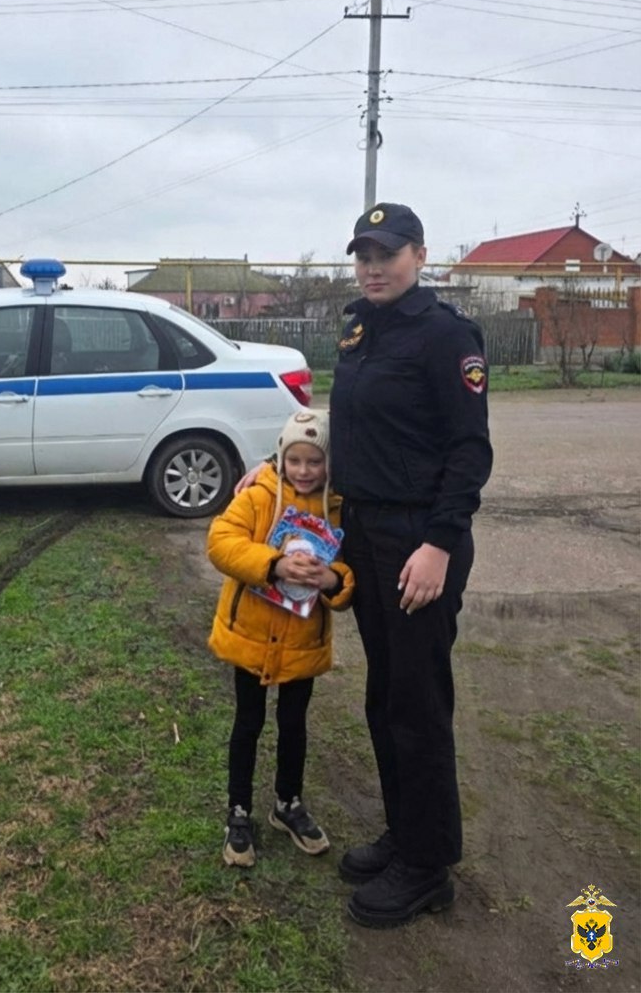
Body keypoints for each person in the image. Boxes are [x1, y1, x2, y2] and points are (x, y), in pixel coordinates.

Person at [235, 202, 492, 926]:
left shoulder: (446, 335)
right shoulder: (360, 330)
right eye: (364, 256)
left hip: (419, 540)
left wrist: (439, 544)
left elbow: (470, 449)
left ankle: (428, 866)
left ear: (420, 255)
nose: (373, 268)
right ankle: (405, 833)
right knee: (386, 695)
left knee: (418, 702)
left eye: (388, 254)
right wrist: (271, 472)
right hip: (367, 534)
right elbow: (342, 430)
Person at [206, 409, 355, 868]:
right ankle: (238, 811)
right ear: (280, 457)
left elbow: (351, 570)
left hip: (302, 641)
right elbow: (221, 541)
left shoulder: (340, 508)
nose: (304, 471)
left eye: (315, 461)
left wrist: (334, 580)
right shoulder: (257, 496)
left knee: (294, 724)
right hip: (251, 635)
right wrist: (272, 564)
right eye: (295, 460)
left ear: (329, 463)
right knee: (247, 723)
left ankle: (288, 804)